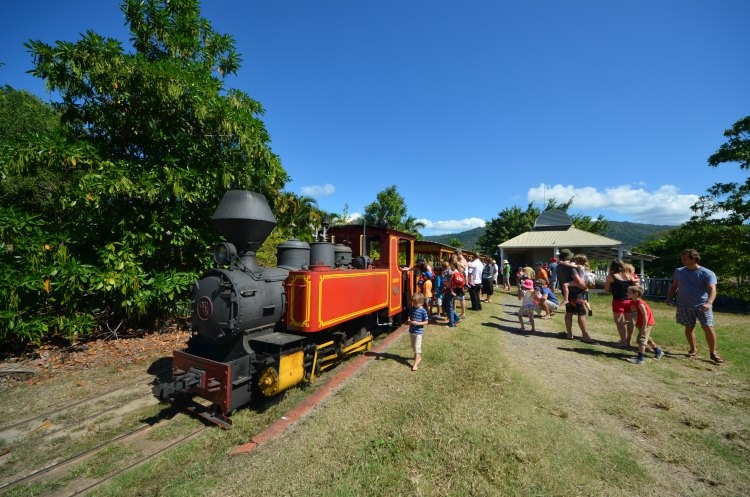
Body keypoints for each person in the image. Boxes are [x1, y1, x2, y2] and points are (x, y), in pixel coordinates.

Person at [665, 249, 723, 364]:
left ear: (694, 259)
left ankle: (713, 353)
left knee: (708, 328)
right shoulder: (679, 271)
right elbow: (674, 285)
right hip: (684, 305)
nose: (682, 261)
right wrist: (668, 297)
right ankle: (693, 350)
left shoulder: (707, 273)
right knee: (689, 328)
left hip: (703, 306)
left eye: (685, 259)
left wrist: (709, 303)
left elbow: (712, 289)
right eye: (682, 259)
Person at [556, 248, 595, 343]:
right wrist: (585, 287)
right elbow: (578, 281)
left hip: (567, 293)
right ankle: (585, 336)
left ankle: (569, 334)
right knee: (581, 314)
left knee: (569, 313)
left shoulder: (559, 267)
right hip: (577, 294)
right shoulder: (572, 268)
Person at [603, 259, 637, 347]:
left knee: (619, 321)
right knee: (630, 321)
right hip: (629, 301)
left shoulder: (610, 276)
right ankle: (628, 340)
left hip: (618, 301)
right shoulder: (629, 275)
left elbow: (606, 291)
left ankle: (623, 341)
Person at [627, 286, 664, 364]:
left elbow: (645, 316)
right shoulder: (632, 302)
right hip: (641, 324)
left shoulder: (640, 303)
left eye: (629, 292)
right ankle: (658, 352)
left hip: (646, 324)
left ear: (636, 294)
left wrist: (644, 327)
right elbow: (635, 314)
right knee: (648, 339)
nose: (627, 293)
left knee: (642, 340)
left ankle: (640, 359)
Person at [406, 292, 429, 371]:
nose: (414, 305)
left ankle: (415, 363)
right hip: (411, 331)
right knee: (413, 346)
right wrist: (409, 320)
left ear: (421, 302)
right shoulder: (412, 308)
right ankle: (418, 357)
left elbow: (426, 322)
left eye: (416, 304)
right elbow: (410, 315)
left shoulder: (423, 311)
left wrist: (417, 323)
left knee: (417, 348)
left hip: (418, 332)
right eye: (414, 303)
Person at [441, 261, 460, 327]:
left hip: (450, 289)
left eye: (451, 265)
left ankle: (451, 323)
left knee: (448, 306)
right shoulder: (451, 271)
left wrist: (445, 283)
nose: (450, 266)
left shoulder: (452, 272)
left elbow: (450, 282)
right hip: (448, 289)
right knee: (445, 305)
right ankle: (456, 318)